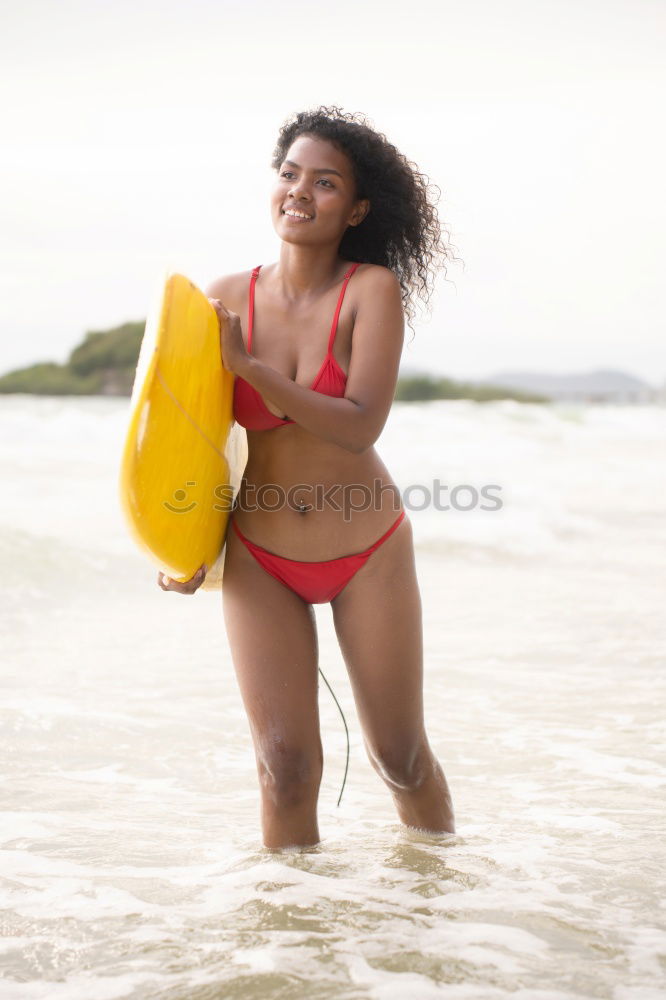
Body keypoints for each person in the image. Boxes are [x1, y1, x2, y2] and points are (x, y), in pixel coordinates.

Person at [158, 106, 458, 850]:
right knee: (285, 765)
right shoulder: (222, 296)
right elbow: (187, 439)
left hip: (367, 550)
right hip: (259, 552)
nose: (300, 191)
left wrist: (250, 370)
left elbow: (359, 422)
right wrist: (183, 541)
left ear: (356, 209)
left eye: (325, 183)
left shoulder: (369, 291)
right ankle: (293, 947)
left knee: (400, 757)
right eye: (290, 174)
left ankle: (443, 916)